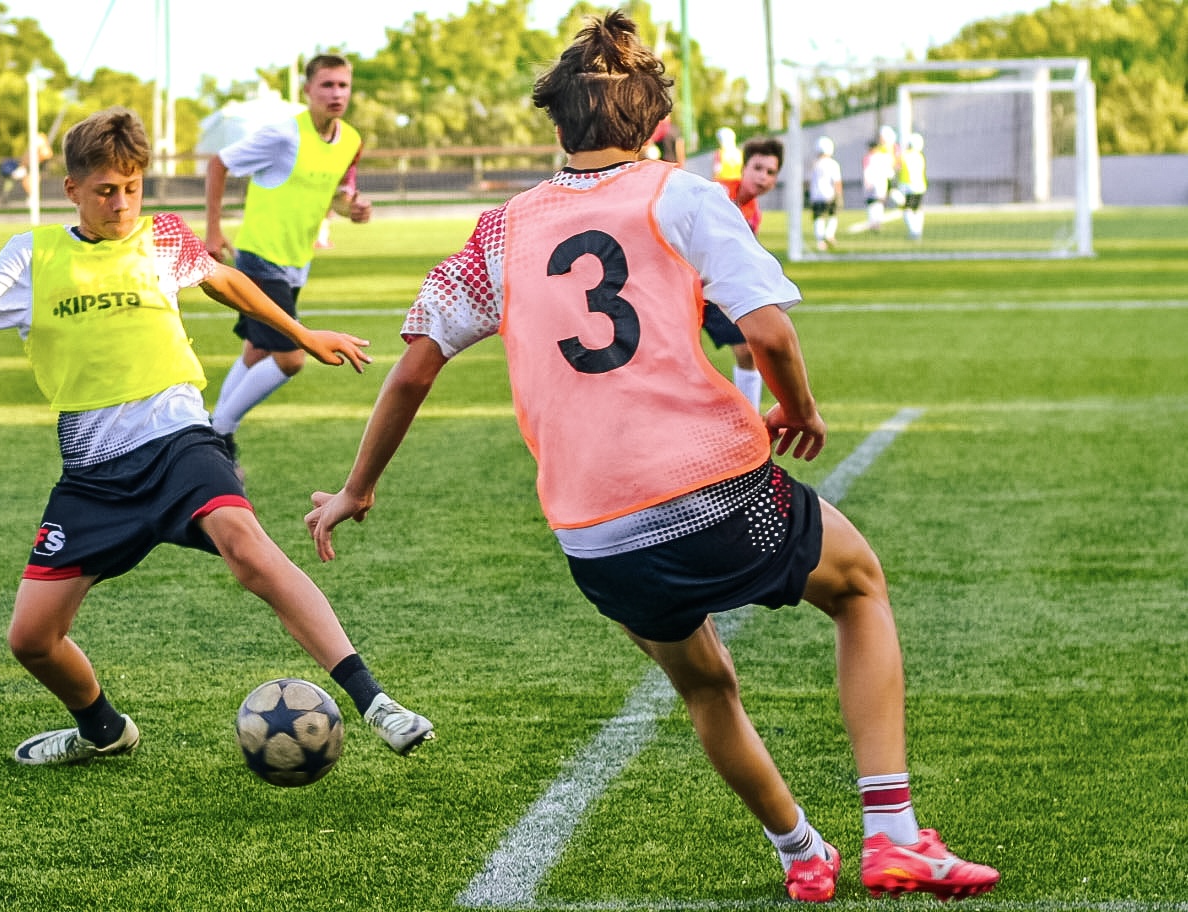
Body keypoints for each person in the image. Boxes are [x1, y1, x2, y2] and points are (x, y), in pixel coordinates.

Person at [304, 12, 998, 904]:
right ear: (655, 124)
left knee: (707, 685)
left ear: (556, 126)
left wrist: (357, 490)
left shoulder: (501, 232)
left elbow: (409, 374)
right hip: (715, 489)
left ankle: (799, 854)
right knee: (858, 585)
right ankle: (893, 836)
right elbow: (767, 328)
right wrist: (800, 406)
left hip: (597, 535)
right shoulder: (682, 192)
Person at [0, 107, 432, 767]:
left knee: (247, 550)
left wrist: (303, 334)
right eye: (105, 190)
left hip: (179, 441)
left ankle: (377, 704)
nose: (121, 204)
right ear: (72, 189)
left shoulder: (163, 237)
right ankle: (102, 731)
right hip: (94, 474)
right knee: (32, 639)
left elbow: (227, 281)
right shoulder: (33, 254)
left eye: (132, 188)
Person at [204, 53, 372, 472]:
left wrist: (351, 208)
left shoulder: (350, 139)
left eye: (343, 86)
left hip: (297, 261)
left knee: (259, 349)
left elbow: (335, 192)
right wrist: (212, 230)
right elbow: (219, 163)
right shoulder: (282, 134)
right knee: (291, 357)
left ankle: (211, 432)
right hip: (260, 259)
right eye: (327, 85)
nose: (336, 94)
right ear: (308, 90)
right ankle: (219, 433)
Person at [710, 136, 783, 410]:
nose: (763, 177)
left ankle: (750, 417)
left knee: (747, 349)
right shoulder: (717, 193)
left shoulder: (753, 213)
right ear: (743, 168)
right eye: (758, 168)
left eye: (770, 172)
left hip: (714, 289)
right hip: (685, 286)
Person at [808, 135, 843, 251]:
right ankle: (829, 234)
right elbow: (837, 181)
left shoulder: (814, 164)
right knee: (833, 215)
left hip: (816, 195)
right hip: (830, 194)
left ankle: (820, 241)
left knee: (819, 218)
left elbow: (808, 181)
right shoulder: (833, 164)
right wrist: (839, 194)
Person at [861, 125, 898, 232]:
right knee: (878, 202)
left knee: (873, 203)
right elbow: (888, 170)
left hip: (872, 182)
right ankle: (876, 222)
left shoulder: (869, 157)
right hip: (881, 183)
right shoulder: (883, 156)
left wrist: (867, 182)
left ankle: (874, 223)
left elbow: (866, 171)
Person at [897, 133, 928, 241]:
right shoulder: (920, 156)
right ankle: (917, 231)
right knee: (917, 209)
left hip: (909, 187)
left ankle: (914, 232)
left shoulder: (905, 155)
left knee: (907, 210)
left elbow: (897, 166)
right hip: (920, 187)